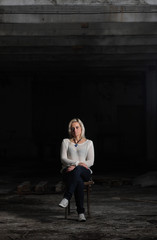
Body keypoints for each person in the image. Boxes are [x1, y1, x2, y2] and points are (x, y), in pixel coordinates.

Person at [59, 118, 94, 222]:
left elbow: (91, 161)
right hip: (68, 171)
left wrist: (77, 165)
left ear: (81, 128)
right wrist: (77, 164)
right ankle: (81, 213)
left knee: (78, 171)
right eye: (72, 128)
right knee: (77, 179)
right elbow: (63, 159)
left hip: (85, 171)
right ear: (70, 130)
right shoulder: (65, 142)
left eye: (77, 127)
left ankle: (67, 197)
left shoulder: (89, 143)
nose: (75, 130)